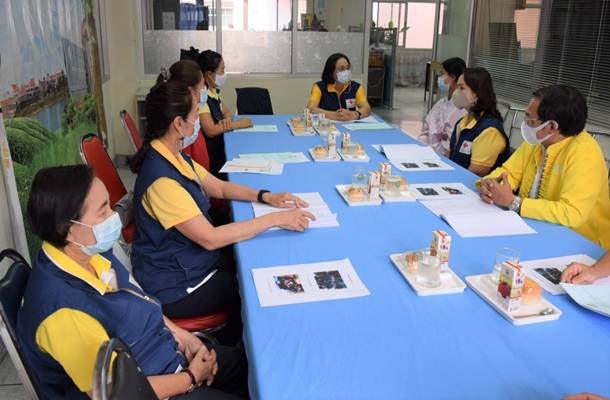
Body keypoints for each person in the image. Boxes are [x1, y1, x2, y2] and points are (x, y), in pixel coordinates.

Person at [17, 165, 248, 399]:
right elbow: (118, 393)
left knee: (249, 368)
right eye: (102, 211)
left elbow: (140, 302)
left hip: (166, 355)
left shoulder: (88, 252)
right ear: (68, 229)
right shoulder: (62, 313)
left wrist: (185, 339)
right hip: (145, 389)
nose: (113, 216)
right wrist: (191, 377)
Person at [129, 80, 315, 333]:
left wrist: (266, 196)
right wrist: (275, 219)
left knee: (247, 258)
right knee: (250, 285)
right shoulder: (161, 181)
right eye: (195, 114)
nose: (198, 121)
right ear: (178, 123)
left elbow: (219, 187)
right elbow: (210, 238)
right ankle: (235, 348)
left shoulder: (172, 154)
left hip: (189, 260)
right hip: (175, 285)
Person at [479, 84, 610, 249]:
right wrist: (490, 184)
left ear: (552, 126)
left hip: (579, 244)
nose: (525, 123)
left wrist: (515, 202)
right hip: (534, 226)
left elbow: (572, 213)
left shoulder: (585, 152)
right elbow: (509, 172)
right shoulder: (539, 140)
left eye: (530, 119)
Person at [197, 50, 252, 176]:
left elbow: (227, 111)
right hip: (213, 158)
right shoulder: (202, 97)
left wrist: (227, 120)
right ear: (209, 74)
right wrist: (237, 124)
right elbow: (210, 130)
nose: (224, 74)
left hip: (220, 147)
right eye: (221, 70)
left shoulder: (213, 92)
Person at [448, 67, 510, 176]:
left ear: (477, 93)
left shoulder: (490, 131)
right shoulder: (463, 121)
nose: (456, 92)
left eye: (461, 88)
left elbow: (476, 173)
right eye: (457, 87)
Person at [158, 60, 210, 171]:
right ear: (191, 92)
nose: (205, 89)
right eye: (202, 85)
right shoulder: (178, 131)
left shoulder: (186, 120)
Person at [418, 57, 467, 156]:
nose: (440, 78)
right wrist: (419, 145)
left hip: (439, 154)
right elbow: (427, 129)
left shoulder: (461, 109)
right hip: (426, 150)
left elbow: (450, 143)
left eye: (443, 74)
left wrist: (433, 151)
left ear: (453, 77)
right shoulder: (442, 102)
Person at [307, 52, 371, 121]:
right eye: (341, 69)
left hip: (349, 124)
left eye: (347, 68)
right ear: (331, 71)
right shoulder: (319, 87)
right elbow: (311, 108)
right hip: (326, 125)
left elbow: (366, 108)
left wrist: (354, 114)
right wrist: (334, 115)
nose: (346, 72)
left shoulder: (356, 87)